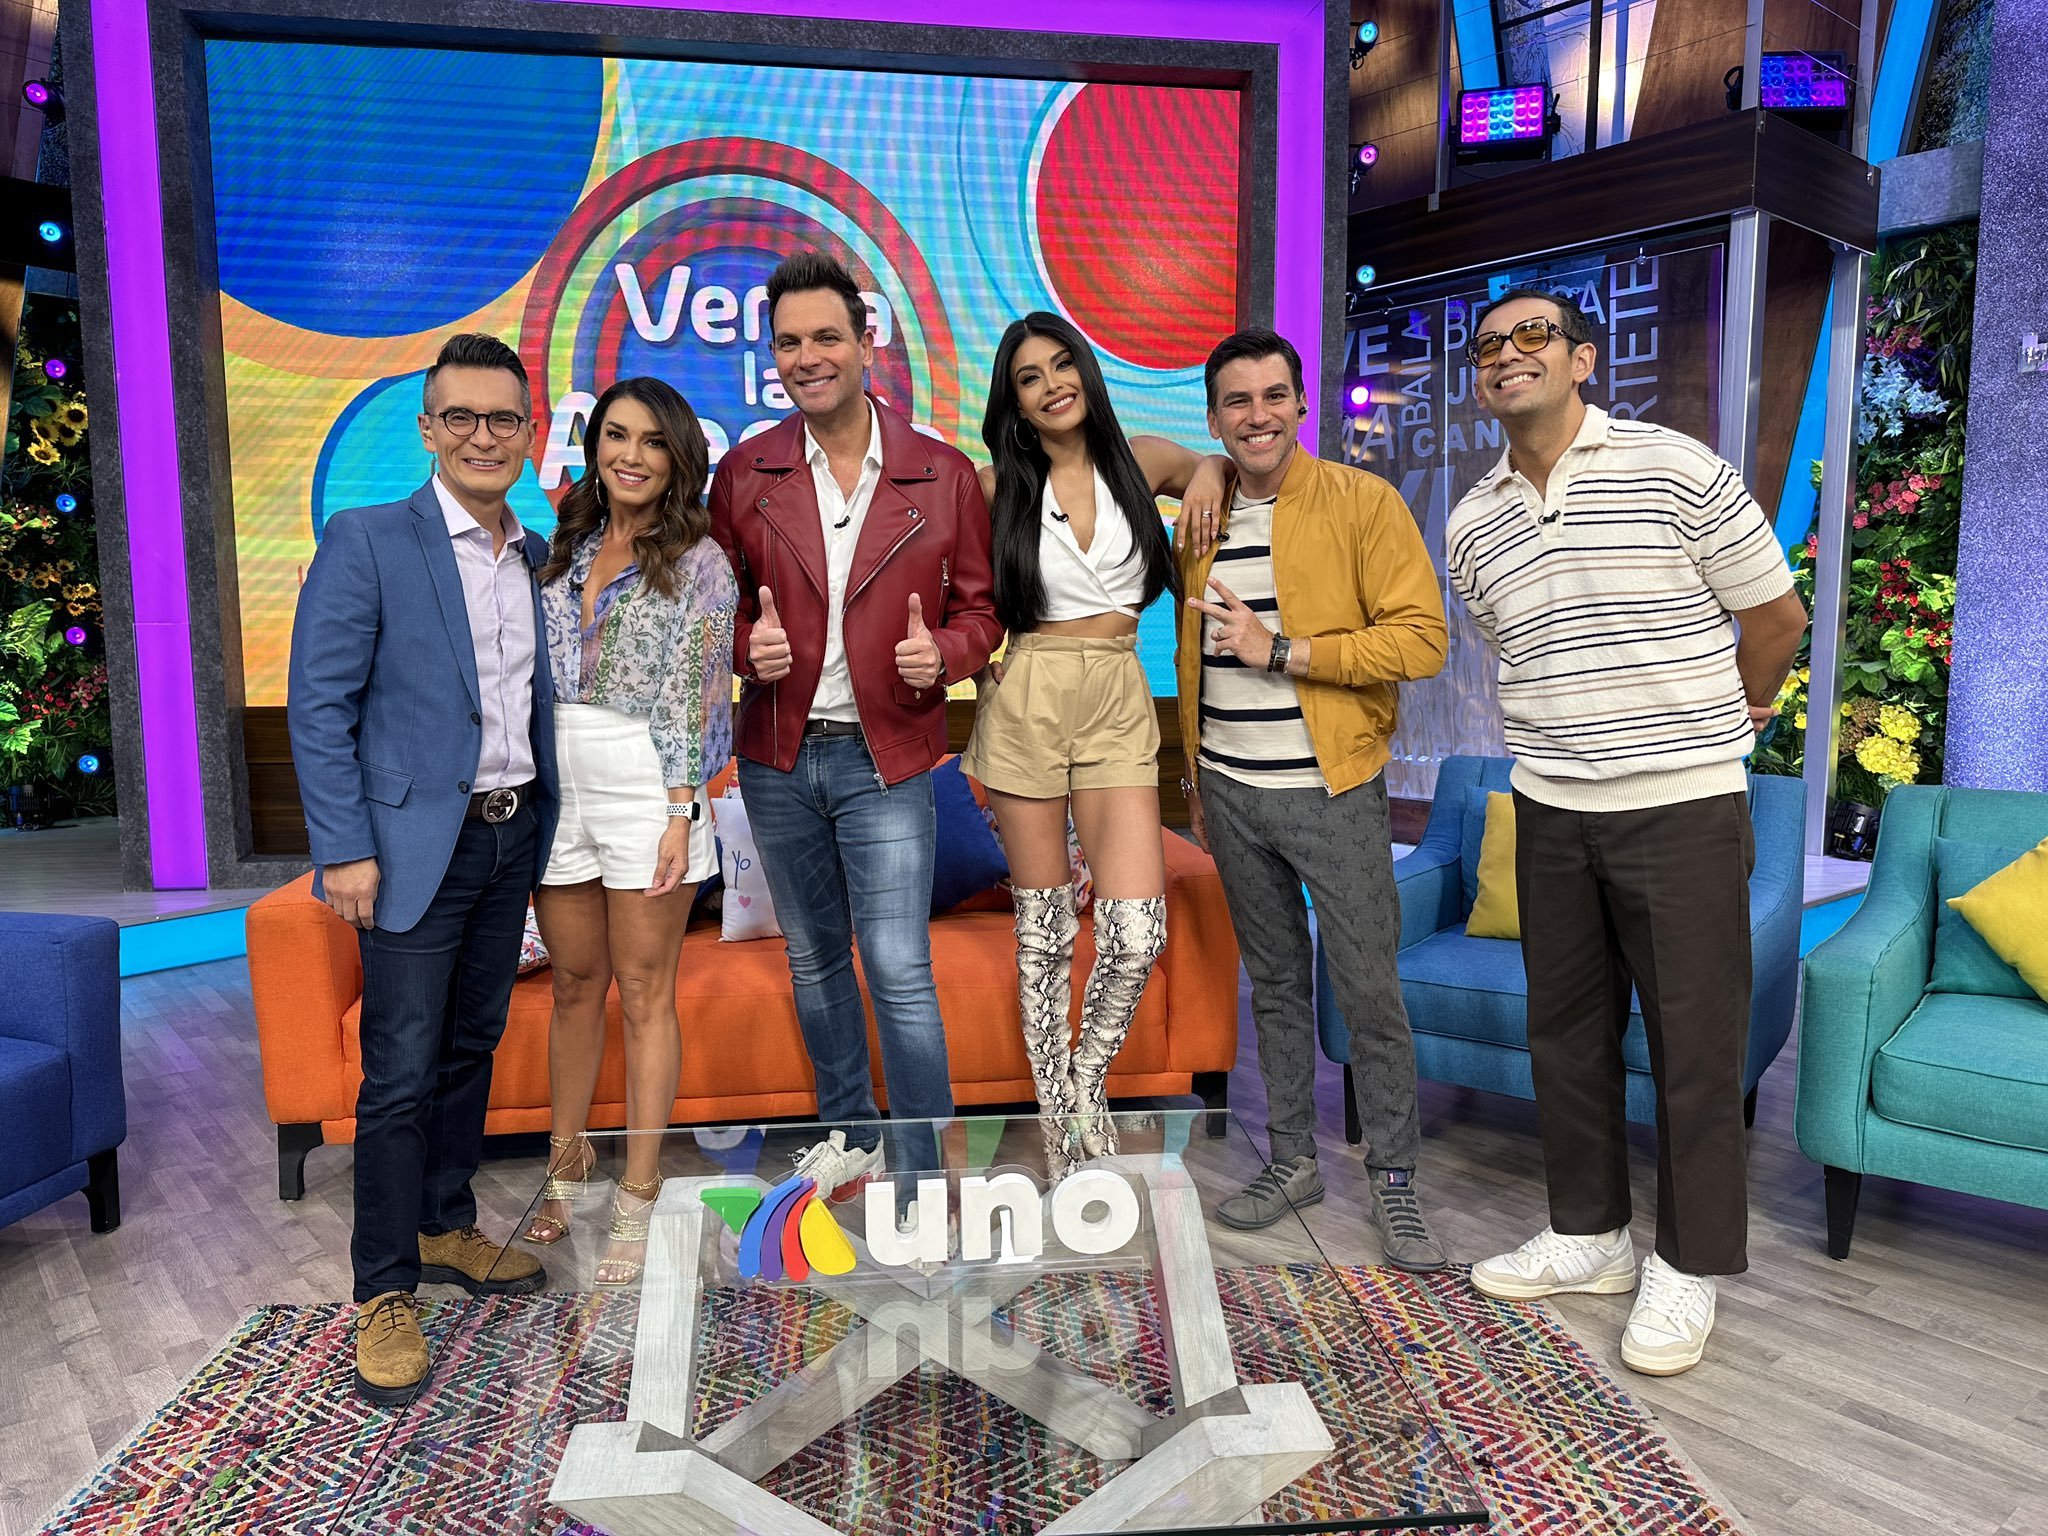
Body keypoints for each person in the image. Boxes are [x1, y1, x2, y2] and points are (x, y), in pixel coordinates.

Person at [1447, 288, 1809, 1375]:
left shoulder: (1674, 467)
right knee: (1563, 1035)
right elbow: (1515, 648)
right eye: (1488, 345)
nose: (1508, 354)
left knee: (1694, 1047)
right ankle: (1588, 1235)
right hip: (1549, 805)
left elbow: (1776, 617)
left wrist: (1739, 712)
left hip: (1682, 804)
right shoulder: (1471, 522)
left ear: (1583, 360)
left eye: (1534, 336)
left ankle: (1686, 1265)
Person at [288, 332, 559, 1404]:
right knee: (399, 1068)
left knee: (471, 1043)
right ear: (428, 429)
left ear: (529, 433)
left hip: (510, 835)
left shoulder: (532, 553)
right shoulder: (367, 539)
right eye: (461, 417)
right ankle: (383, 1288)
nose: (482, 436)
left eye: (503, 418)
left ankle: (446, 1225)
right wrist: (345, 848)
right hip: (408, 850)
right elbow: (321, 707)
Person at [709, 251, 1002, 1202]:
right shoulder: (743, 474)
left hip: (891, 757)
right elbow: (712, 613)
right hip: (777, 757)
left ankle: (921, 1170)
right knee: (813, 957)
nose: (807, 357)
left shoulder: (943, 474)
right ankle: (850, 1137)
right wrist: (741, 646)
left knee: (898, 965)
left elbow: (982, 614)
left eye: (826, 337)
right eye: (789, 342)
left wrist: (945, 655)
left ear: (867, 343)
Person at [1174, 328, 1450, 1269]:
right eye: (1236, 402)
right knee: (1277, 985)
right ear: (1215, 417)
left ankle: (1395, 1179)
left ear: (1301, 404)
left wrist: (1282, 650)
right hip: (1230, 790)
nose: (1257, 416)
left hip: (1333, 789)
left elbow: (1422, 640)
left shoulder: (1361, 502)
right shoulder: (1202, 518)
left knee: (1369, 991)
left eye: (1272, 396)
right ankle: (1292, 1160)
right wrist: (1203, 470)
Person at [959, 312, 1229, 1169]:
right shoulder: (991, 485)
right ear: (1014, 401)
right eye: (1029, 377)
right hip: (1029, 690)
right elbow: (945, 589)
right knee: (1043, 934)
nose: (1051, 385)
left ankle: (1083, 1087)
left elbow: (1214, 463)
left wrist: (1210, 471)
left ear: (1085, 370)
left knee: (1136, 935)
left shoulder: (1140, 460)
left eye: (1061, 364)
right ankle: (1066, 1133)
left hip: (1117, 693)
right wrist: (977, 668)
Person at [518, 377, 737, 1286]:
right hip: (556, 774)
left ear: (678, 457)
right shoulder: (559, 546)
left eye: (652, 441)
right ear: (594, 445)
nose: (631, 455)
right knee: (575, 984)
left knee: (645, 991)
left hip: (648, 780)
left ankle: (640, 1193)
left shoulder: (702, 560)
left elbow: (697, 691)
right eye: (616, 435)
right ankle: (566, 1166)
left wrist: (682, 810)